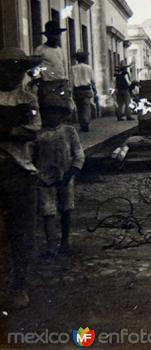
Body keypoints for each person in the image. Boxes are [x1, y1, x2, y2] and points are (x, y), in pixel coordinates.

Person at [0, 47, 43, 308]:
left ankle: (19, 285)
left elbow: (32, 130)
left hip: (20, 169)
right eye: (7, 68)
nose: (13, 73)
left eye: (18, 68)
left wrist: (6, 130)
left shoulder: (28, 98)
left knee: (22, 232)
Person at [35, 94, 84, 260]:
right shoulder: (38, 134)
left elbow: (78, 155)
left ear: (62, 114)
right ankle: (51, 247)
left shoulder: (69, 131)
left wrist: (70, 174)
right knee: (48, 211)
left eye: (56, 113)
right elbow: (31, 156)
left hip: (65, 176)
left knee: (66, 209)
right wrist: (36, 175)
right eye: (48, 113)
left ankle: (65, 240)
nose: (52, 116)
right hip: (43, 178)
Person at [33, 21, 71, 107]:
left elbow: (64, 68)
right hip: (47, 86)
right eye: (53, 34)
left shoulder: (60, 50)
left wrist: (67, 85)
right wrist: (39, 82)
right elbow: (35, 68)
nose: (56, 37)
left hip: (61, 84)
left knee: (64, 111)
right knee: (50, 110)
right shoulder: (40, 50)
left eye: (58, 34)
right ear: (47, 35)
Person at [71, 51, 95, 132]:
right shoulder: (89, 68)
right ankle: (86, 123)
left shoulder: (73, 68)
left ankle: (82, 124)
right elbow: (92, 80)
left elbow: (71, 80)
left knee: (79, 107)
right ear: (85, 59)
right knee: (86, 107)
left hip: (77, 90)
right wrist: (94, 89)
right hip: (86, 89)